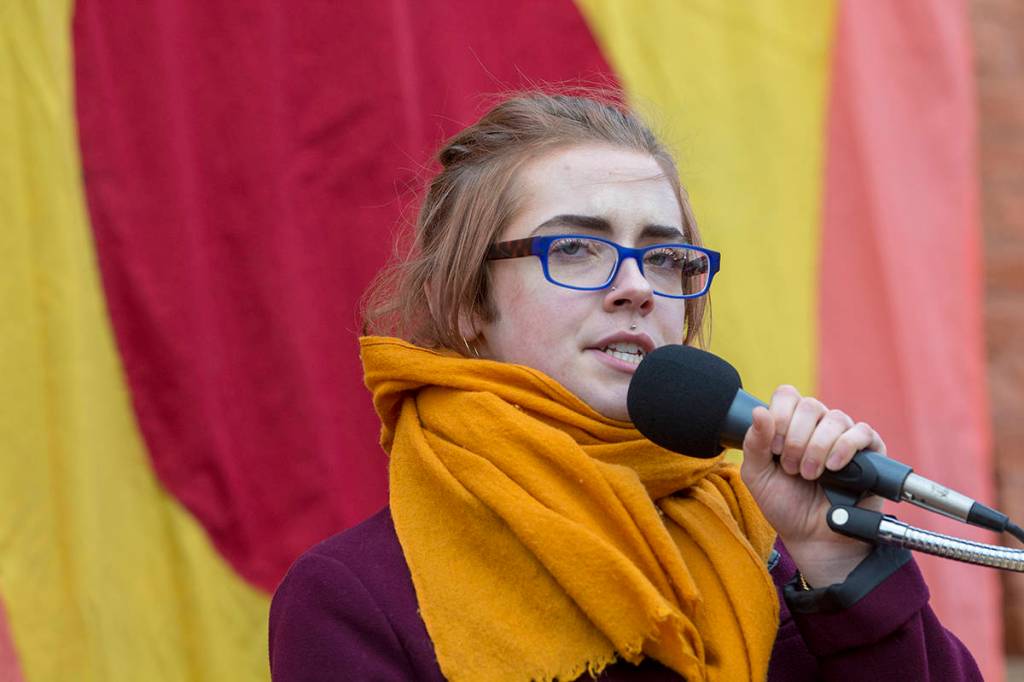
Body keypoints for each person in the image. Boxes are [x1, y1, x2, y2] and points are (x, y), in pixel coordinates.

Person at [268, 92, 981, 681]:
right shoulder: (356, 597)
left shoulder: (779, 548)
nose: (636, 287)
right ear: (468, 305)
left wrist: (843, 570)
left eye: (665, 255)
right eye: (575, 248)